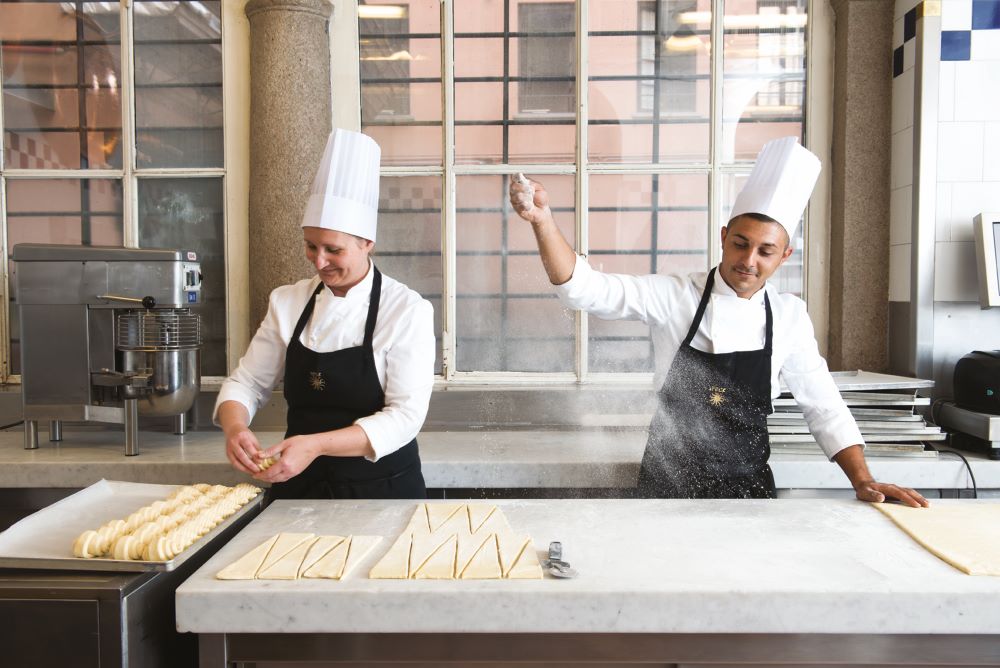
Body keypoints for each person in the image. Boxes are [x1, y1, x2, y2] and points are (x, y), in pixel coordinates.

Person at [509, 137, 928, 507]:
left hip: (747, 496)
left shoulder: (788, 317)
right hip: (666, 492)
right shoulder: (674, 296)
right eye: (741, 244)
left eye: (765, 251)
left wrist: (863, 479)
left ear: (784, 256)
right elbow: (584, 288)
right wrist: (543, 221)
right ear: (724, 236)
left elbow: (824, 406)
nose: (748, 261)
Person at [215, 128, 435, 499]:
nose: (319, 261)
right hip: (296, 485)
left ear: (367, 243)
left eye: (333, 249)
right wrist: (235, 428)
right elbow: (248, 383)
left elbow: (405, 416)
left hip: (382, 488)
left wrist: (315, 445)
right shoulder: (288, 302)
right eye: (310, 245)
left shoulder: (406, 309)